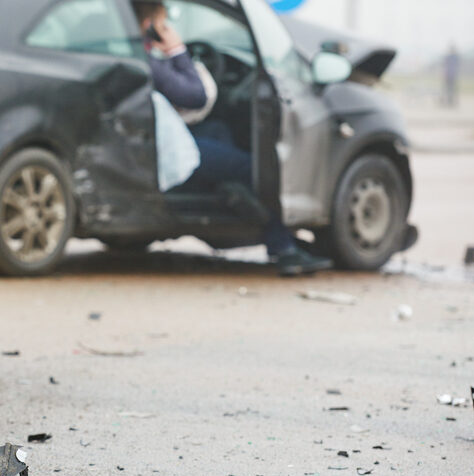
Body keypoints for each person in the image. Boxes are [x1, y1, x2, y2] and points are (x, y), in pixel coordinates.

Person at [131, 0, 333, 276]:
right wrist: (177, 51)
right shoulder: (147, 61)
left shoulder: (131, 55)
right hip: (162, 148)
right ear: (149, 25)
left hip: (156, 138)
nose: (167, 29)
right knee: (254, 168)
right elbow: (195, 96)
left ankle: (230, 195)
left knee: (218, 131)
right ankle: (282, 246)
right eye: (163, 24)